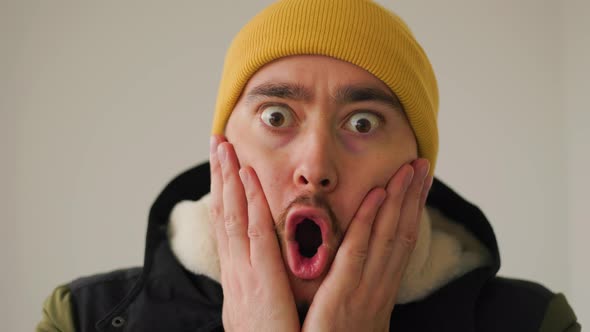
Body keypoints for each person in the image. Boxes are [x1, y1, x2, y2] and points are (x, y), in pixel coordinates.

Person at [37, 0, 580, 331]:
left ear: (417, 170)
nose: (315, 165)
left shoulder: (534, 324)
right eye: (277, 115)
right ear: (224, 151)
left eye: (363, 123)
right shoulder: (82, 319)